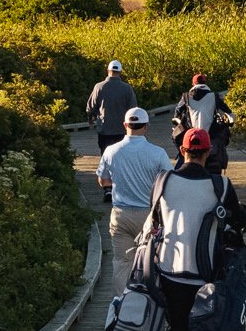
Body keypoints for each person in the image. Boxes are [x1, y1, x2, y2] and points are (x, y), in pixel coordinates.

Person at [145, 125, 246, 331]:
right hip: (208, 277)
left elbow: (156, 219)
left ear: (182, 150)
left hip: (171, 272)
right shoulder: (221, 186)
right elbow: (237, 222)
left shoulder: (163, 180)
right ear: (208, 151)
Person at [96, 106, 166, 248]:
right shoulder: (159, 153)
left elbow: (103, 181)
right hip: (148, 215)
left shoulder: (110, 151)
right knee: (149, 257)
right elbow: (169, 182)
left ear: (125, 125)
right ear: (146, 126)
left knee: (121, 259)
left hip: (121, 215)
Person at [85, 61, 137, 191]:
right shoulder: (127, 88)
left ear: (108, 71)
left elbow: (91, 107)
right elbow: (133, 109)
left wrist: (91, 118)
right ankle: (120, 184)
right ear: (120, 72)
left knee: (106, 156)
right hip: (122, 130)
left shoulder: (99, 87)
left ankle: (107, 187)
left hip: (105, 130)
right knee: (122, 157)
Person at [170, 71, 235, 169]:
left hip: (191, 136)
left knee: (178, 145)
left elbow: (177, 111)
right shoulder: (214, 96)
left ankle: (180, 167)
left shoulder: (186, 96)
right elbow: (228, 111)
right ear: (205, 83)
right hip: (210, 136)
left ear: (193, 84)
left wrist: (177, 122)